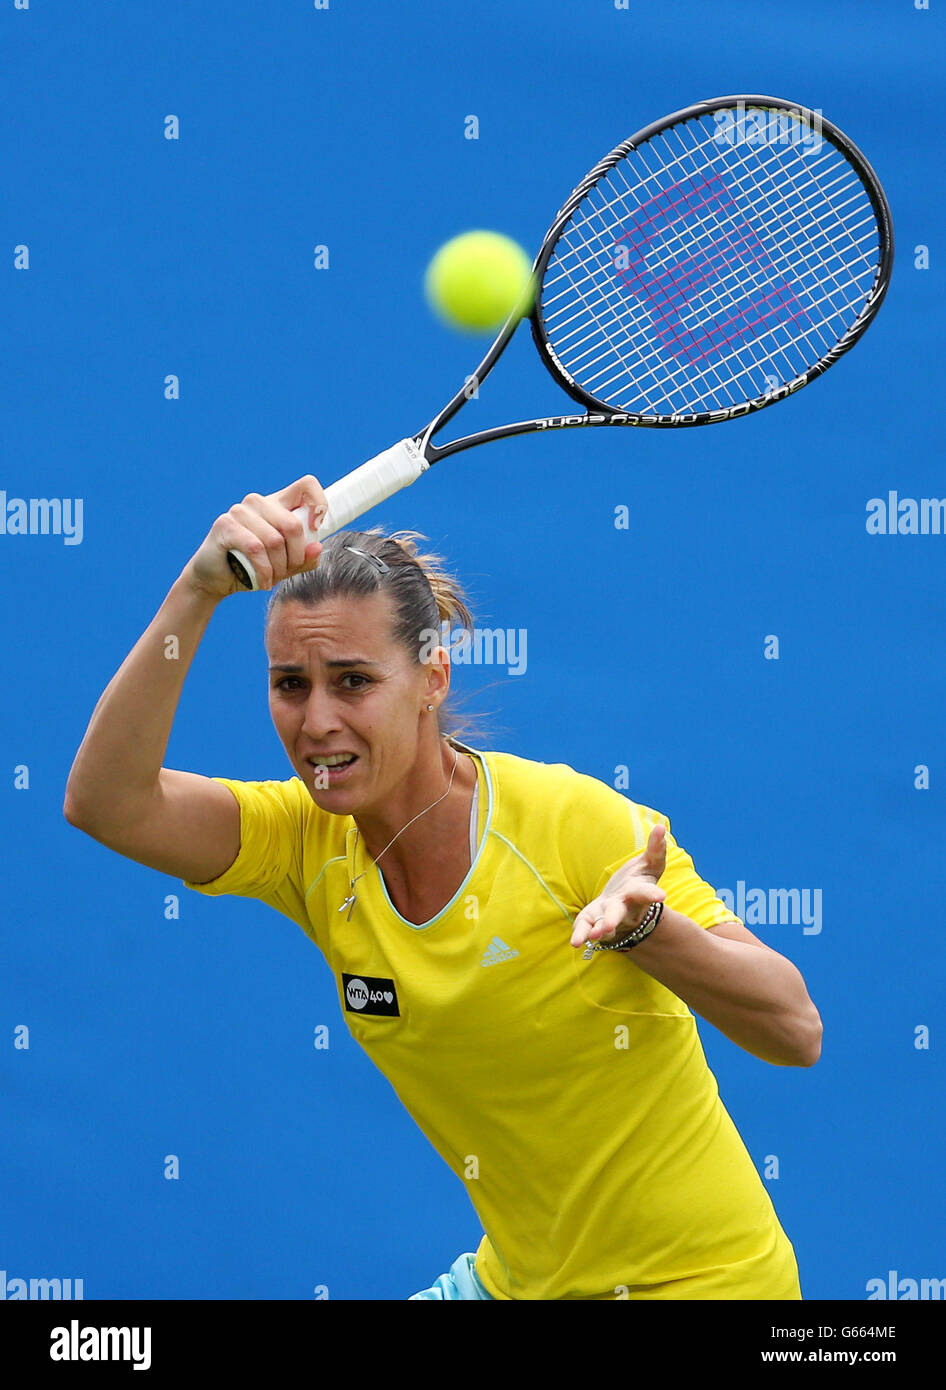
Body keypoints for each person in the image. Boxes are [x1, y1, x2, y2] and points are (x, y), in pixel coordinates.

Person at [64, 475, 822, 1301]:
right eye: (291, 684)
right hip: (514, 1283)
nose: (317, 721)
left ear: (432, 680)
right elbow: (107, 803)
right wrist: (197, 588)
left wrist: (653, 933)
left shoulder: (569, 823)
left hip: (703, 1283)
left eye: (353, 681)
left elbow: (794, 1027)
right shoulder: (302, 841)